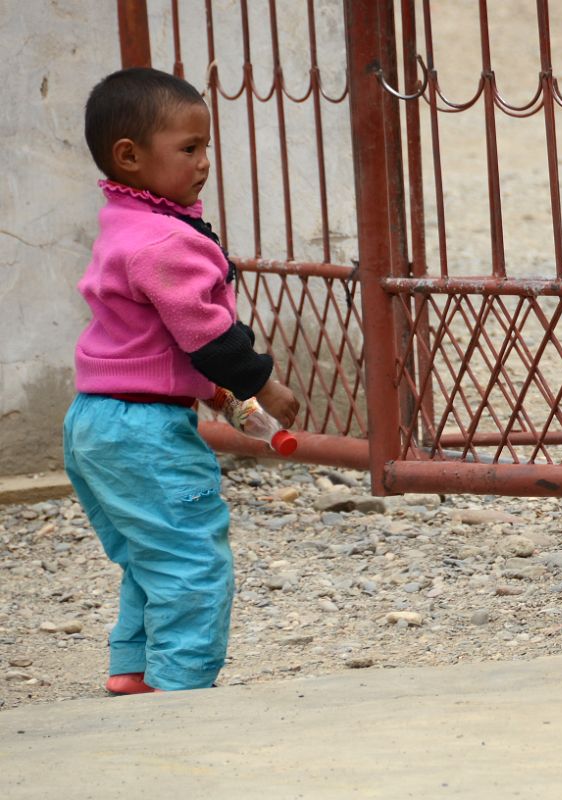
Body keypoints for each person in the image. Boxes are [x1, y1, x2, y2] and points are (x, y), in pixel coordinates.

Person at [64, 67, 299, 694]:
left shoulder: (123, 223)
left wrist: (215, 394)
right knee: (193, 560)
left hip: (96, 418)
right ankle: (182, 691)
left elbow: (161, 338)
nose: (203, 163)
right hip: (145, 429)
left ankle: (136, 671)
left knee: (150, 553)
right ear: (129, 157)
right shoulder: (167, 240)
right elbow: (208, 335)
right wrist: (261, 386)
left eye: (206, 148)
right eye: (188, 149)